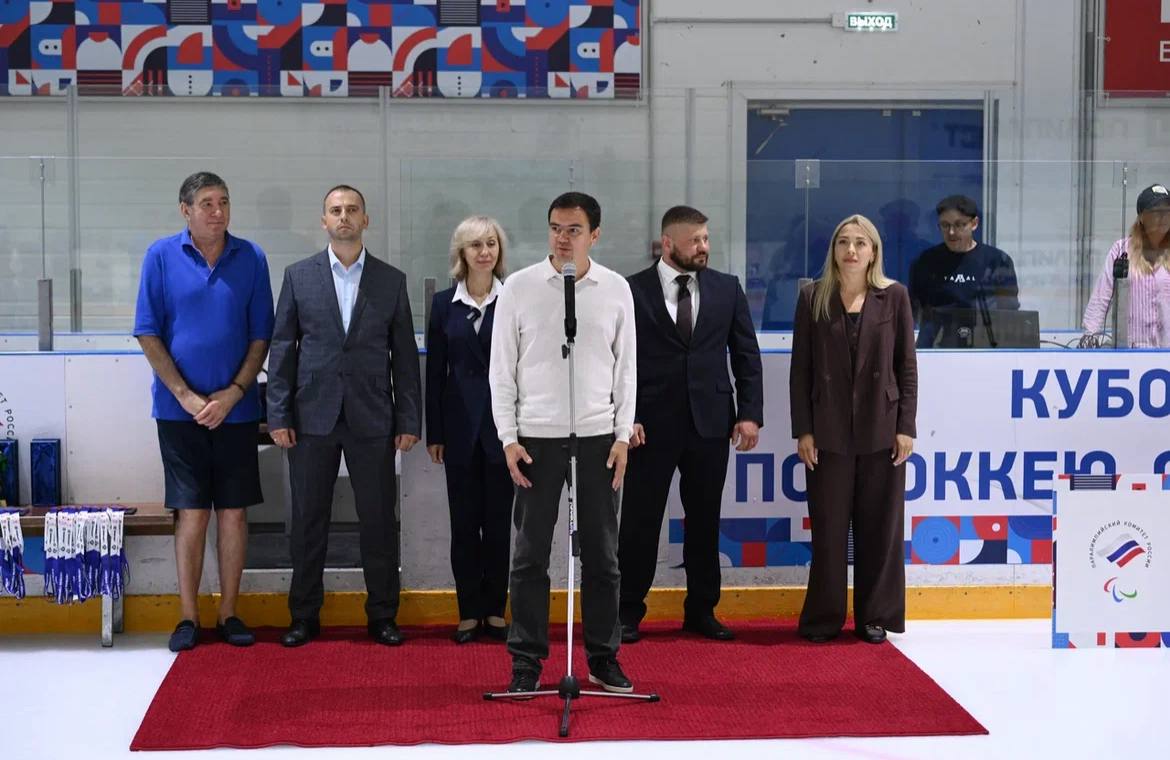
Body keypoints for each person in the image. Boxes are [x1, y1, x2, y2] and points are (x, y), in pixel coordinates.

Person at [489, 191, 637, 694]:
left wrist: (622, 435)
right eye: (555, 228)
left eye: (574, 230)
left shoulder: (615, 289)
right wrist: (508, 438)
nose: (562, 238)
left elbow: (627, 370)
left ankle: (603, 657)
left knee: (603, 556)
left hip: (598, 439)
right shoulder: (519, 288)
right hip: (536, 438)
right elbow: (501, 371)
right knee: (529, 556)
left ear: (595, 234)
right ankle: (526, 661)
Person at [266, 185, 422, 647]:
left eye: (352, 210)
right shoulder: (299, 276)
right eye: (335, 211)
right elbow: (282, 348)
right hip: (311, 417)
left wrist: (408, 419)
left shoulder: (390, 280)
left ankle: (383, 615)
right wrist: (278, 414)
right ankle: (304, 615)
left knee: (378, 520)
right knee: (308, 520)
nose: (344, 217)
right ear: (324, 221)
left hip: (372, 417)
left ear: (365, 220)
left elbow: (404, 356)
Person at [133, 171, 274, 652]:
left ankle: (229, 612)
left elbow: (261, 336)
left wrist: (234, 392)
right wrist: (186, 396)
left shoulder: (251, 258)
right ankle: (189, 617)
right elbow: (148, 332)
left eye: (224, 202)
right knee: (191, 514)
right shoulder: (160, 256)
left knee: (233, 513)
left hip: (237, 411)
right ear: (186, 210)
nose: (218, 211)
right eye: (208, 203)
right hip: (179, 414)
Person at [618, 205, 764, 643]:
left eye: (706, 238)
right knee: (640, 522)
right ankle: (626, 612)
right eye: (694, 240)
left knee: (704, 520)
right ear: (668, 244)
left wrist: (749, 413)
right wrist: (627, 417)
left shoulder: (726, 288)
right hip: (648, 427)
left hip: (711, 423)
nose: (704, 247)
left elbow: (746, 355)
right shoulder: (630, 290)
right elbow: (617, 361)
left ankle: (701, 610)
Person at [790, 214, 917, 645]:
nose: (851, 250)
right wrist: (804, 430)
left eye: (860, 243)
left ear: (873, 251)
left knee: (880, 528)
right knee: (828, 530)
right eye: (843, 241)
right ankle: (824, 618)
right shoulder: (813, 297)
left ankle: (874, 616)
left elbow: (907, 366)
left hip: (882, 429)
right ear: (833, 250)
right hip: (827, 432)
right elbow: (800, 370)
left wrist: (906, 426)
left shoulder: (894, 296)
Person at [426, 215, 515, 644]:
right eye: (476, 244)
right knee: (463, 525)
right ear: (461, 252)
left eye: (491, 243)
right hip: (459, 430)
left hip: (503, 432)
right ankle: (468, 612)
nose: (485, 252)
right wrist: (436, 432)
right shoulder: (445, 304)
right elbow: (435, 372)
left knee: (498, 525)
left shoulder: (512, 298)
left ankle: (495, 611)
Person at [909, 195, 1019, 348]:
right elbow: (912, 311)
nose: (951, 232)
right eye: (945, 225)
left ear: (974, 223)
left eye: (959, 225)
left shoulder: (997, 261)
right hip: (935, 349)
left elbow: (1009, 312)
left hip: (986, 347)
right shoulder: (926, 261)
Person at [1080, 183, 1170, 348]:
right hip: (1130, 351)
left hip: (1166, 352)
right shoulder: (1121, 250)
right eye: (1157, 211)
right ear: (1142, 217)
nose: (1164, 217)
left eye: (1168, 211)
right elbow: (1103, 294)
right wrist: (1090, 333)